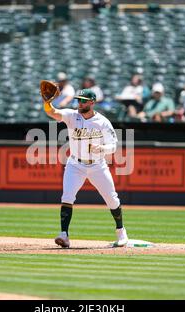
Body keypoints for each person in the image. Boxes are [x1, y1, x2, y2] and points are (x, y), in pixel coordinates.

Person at [42, 88, 128, 248]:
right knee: (67, 197)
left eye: (82, 100)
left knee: (111, 198)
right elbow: (53, 113)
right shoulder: (72, 115)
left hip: (97, 165)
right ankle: (64, 235)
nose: (79, 103)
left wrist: (103, 149)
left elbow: (113, 145)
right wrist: (47, 103)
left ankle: (121, 231)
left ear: (92, 102)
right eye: (78, 100)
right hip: (75, 164)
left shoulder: (102, 121)